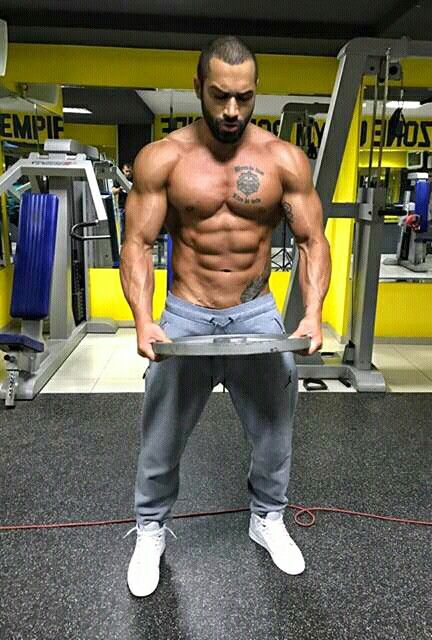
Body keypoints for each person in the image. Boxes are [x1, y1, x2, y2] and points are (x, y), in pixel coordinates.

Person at [120, 35, 331, 598]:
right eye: (219, 97)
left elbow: (313, 240)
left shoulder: (283, 160)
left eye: (243, 97)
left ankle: (268, 519)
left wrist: (312, 314)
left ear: (255, 92)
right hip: (185, 316)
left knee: (274, 431)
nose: (232, 111)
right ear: (198, 89)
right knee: (161, 435)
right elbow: (137, 243)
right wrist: (143, 319)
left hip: (257, 315)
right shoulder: (163, 159)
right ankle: (150, 530)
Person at [112, 162, 133, 243]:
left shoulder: (135, 180)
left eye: (130, 171)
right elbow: (113, 191)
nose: (128, 173)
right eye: (126, 171)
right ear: (123, 171)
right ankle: (122, 244)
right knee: (121, 228)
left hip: (132, 208)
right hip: (121, 207)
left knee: (131, 227)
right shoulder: (119, 180)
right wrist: (120, 189)